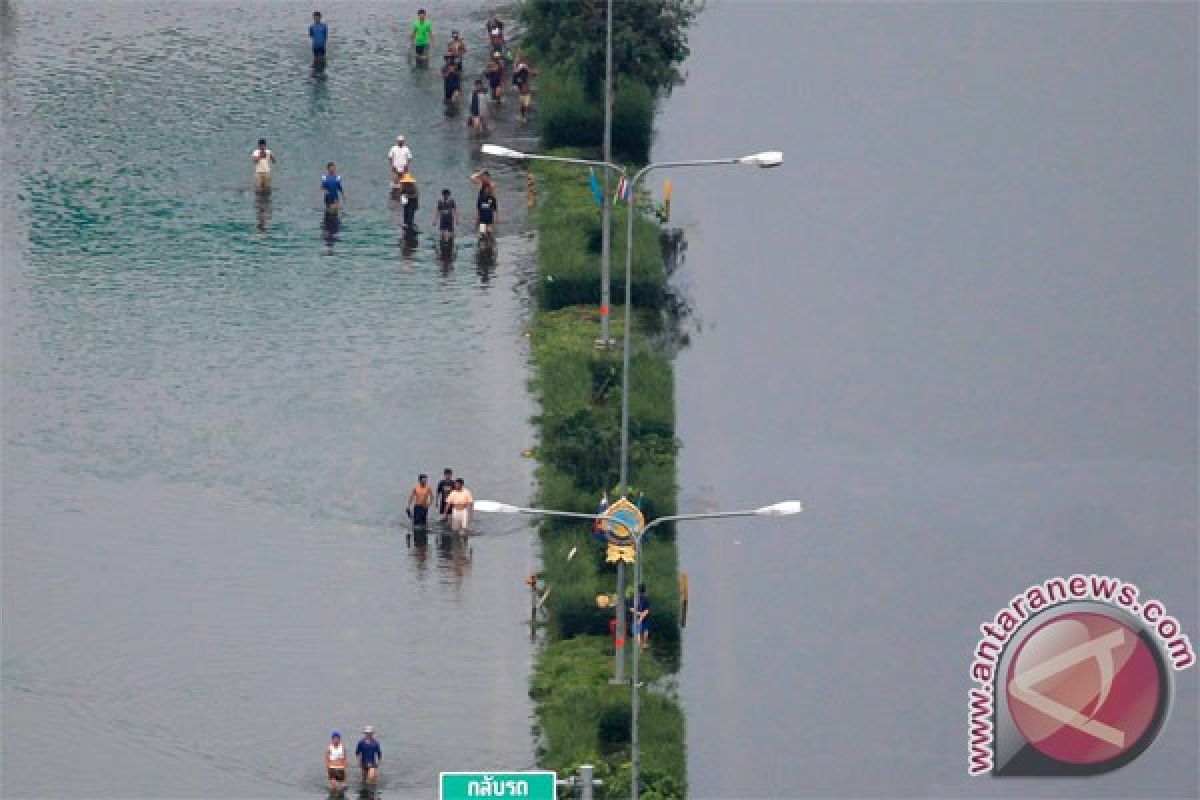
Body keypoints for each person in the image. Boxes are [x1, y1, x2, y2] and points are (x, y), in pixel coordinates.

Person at [631, 583, 651, 650]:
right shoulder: (646, 598)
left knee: (638, 632)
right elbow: (647, 610)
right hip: (645, 617)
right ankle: (644, 644)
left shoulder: (635, 598)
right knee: (645, 630)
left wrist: (638, 615)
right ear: (644, 590)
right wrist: (641, 616)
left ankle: (640, 648)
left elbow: (632, 609)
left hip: (637, 616)